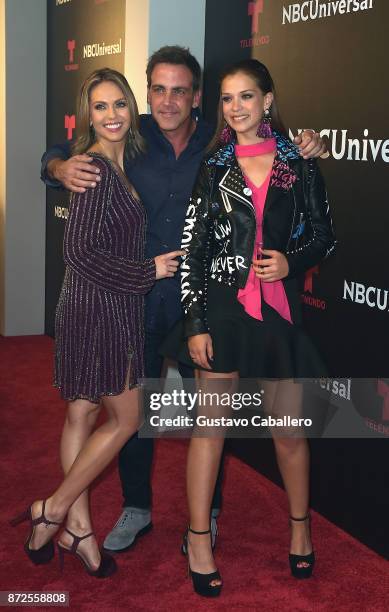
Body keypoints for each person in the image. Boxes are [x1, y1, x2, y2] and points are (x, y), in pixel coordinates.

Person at [40, 46, 327, 553]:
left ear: (197, 98)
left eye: (180, 90)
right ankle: (136, 507)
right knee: (133, 414)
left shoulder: (217, 146)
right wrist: (59, 168)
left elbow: (275, 150)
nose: (167, 100)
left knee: (209, 422)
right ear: (146, 93)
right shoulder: (129, 133)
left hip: (207, 303)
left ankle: (207, 516)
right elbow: (62, 151)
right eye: (158, 89)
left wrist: (310, 143)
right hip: (138, 298)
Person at [161, 59, 336, 596]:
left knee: (289, 434)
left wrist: (291, 260)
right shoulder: (214, 166)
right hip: (223, 308)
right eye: (228, 99)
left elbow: (324, 235)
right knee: (210, 431)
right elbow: (192, 249)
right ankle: (198, 540)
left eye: (246, 97)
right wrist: (195, 322)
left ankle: (300, 532)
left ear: (267, 100)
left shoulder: (296, 162)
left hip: (279, 308)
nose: (236, 108)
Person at [11, 68, 180, 577]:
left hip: (96, 304)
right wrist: (147, 269)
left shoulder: (116, 162)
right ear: (88, 114)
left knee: (81, 417)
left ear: (133, 108)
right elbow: (79, 252)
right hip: (97, 308)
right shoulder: (93, 169)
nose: (112, 115)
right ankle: (55, 508)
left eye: (120, 105)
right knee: (127, 419)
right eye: (101, 106)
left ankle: (80, 532)